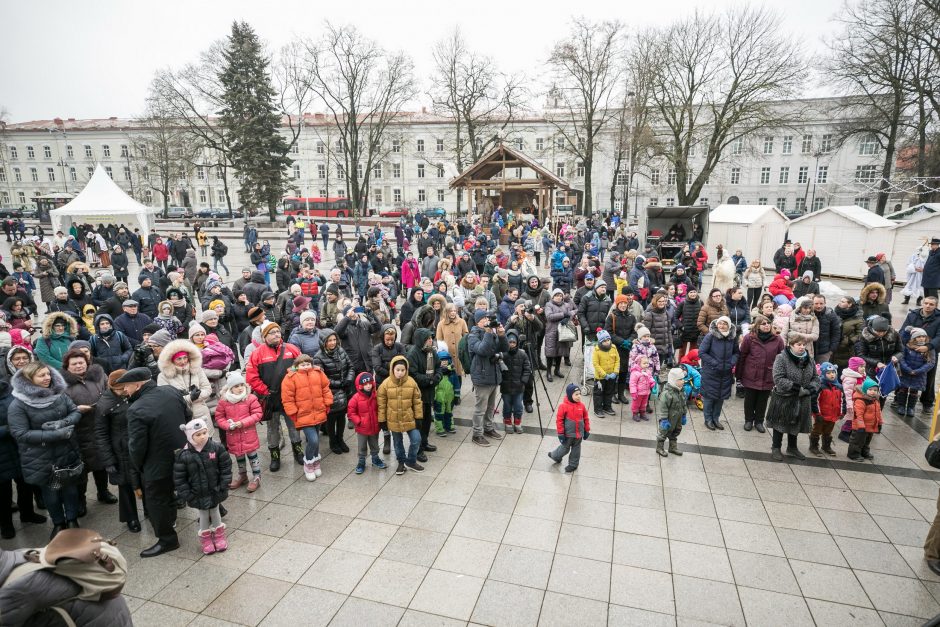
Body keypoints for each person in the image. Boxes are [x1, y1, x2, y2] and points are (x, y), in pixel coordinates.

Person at [8, 361, 83, 539]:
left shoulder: (59, 394)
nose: (47, 378)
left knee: (70, 489)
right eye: (41, 375)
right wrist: (55, 434)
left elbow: (75, 412)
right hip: (40, 457)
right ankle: (58, 523)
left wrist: (62, 423)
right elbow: (20, 433)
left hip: (66, 451)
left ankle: (72, 519)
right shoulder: (18, 404)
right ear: (29, 379)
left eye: (48, 374)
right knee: (51, 492)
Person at [122, 367, 189, 556]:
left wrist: (137, 467)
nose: (125, 391)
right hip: (181, 453)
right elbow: (187, 415)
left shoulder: (136, 409)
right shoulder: (170, 391)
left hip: (156, 463)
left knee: (156, 500)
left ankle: (168, 539)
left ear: (137, 385)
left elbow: (136, 446)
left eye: (126, 387)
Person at [60, 349, 116, 515]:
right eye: (74, 363)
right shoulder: (62, 385)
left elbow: (110, 392)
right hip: (78, 431)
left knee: (101, 463)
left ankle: (103, 491)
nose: (78, 366)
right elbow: (60, 408)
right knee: (81, 469)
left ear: (87, 362)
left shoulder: (99, 375)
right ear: (67, 366)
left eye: (81, 362)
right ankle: (81, 500)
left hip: (100, 427)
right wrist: (76, 411)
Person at [246, 322, 304, 470]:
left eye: (278, 331)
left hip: (290, 398)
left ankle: (298, 452)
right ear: (265, 336)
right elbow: (252, 377)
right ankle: (275, 457)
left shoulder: (292, 349)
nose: (277, 334)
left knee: (294, 426)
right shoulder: (257, 353)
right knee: (272, 430)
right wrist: (265, 392)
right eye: (272, 332)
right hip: (271, 400)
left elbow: (302, 370)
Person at [174, 418, 232, 555]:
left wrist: (224, 484)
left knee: (215, 511)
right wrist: (188, 494)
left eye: (204, 433)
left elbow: (225, 466)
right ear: (190, 436)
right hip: (197, 492)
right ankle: (206, 540)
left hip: (215, 489)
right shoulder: (184, 455)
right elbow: (180, 478)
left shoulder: (216, 447)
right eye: (198, 435)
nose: (202, 437)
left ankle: (219, 536)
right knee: (203, 514)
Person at [94, 369, 142, 533]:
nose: (124, 391)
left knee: (145, 481)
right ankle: (131, 518)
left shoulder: (135, 395)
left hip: (138, 446)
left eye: (125, 387)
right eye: (120, 389)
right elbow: (100, 434)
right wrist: (108, 460)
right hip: (120, 451)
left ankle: (150, 511)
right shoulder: (104, 404)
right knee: (125, 486)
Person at [0, 376, 47, 539]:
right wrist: (11, 428)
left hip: (19, 447)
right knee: (3, 491)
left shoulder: (11, 392)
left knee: (25, 483)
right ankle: (5, 524)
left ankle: (27, 513)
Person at [765, 332, 821, 461]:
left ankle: (792, 448)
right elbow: (778, 378)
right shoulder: (782, 358)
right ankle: (776, 448)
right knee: (780, 424)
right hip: (785, 397)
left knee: (796, 423)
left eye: (804, 345)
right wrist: (797, 388)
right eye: (798, 344)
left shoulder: (810, 359)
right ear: (791, 345)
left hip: (803, 398)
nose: (802, 347)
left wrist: (809, 389)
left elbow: (816, 378)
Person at [281, 354, 332, 481]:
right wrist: (293, 413)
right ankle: (308, 463)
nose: (305, 366)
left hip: (318, 411)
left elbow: (325, 388)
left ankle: (316, 462)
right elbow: (287, 398)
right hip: (304, 415)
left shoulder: (318, 373)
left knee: (316, 441)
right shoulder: (290, 377)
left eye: (308, 364)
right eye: (302, 365)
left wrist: (327, 403)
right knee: (313, 440)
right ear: (296, 366)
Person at [215, 372, 263, 493]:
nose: (240, 388)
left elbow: (257, 414)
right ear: (230, 388)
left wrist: (242, 423)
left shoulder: (250, 398)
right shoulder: (224, 401)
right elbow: (219, 417)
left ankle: (257, 476)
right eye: (236, 386)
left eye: (242, 385)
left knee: (252, 456)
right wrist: (227, 425)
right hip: (233, 435)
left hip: (248, 434)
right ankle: (243, 475)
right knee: (239, 456)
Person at [466, 310, 508, 447]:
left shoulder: (491, 332)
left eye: (487, 318)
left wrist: (501, 335)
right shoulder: (473, 335)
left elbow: (504, 348)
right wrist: (489, 333)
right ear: (478, 321)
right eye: (484, 318)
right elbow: (483, 350)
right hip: (481, 376)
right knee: (480, 408)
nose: (487, 320)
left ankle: (488, 428)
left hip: (494, 375)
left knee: (491, 406)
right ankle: (477, 434)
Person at [737, 315, 784, 433]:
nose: (767, 325)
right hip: (751, 373)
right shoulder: (749, 338)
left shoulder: (778, 339)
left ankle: (759, 421)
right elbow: (742, 356)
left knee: (762, 400)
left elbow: (781, 358)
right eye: (763, 324)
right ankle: (748, 420)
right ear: (757, 326)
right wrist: (739, 373)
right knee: (750, 399)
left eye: (768, 323)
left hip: (768, 374)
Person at [378, 355, 424, 474]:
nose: (400, 373)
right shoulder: (386, 384)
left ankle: (411, 461)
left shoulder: (411, 382)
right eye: (397, 370)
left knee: (416, 439)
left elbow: (417, 401)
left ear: (406, 370)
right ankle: (401, 462)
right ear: (392, 369)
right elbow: (381, 403)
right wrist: (382, 420)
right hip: (393, 419)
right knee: (398, 443)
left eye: (403, 370)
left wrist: (418, 417)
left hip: (409, 417)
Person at [312, 329, 353, 456]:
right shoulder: (318, 357)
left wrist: (348, 380)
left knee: (342, 417)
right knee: (331, 419)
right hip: (331, 392)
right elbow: (321, 377)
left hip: (344, 390)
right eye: (329, 340)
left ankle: (340, 439)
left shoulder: (341, 350)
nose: (332, 343)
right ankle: (333, 441)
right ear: (323, 342)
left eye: (334, 340)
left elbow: (350, 366)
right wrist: (338, 384)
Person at [698, 316, 738, 430]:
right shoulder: (710, 336)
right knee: (709, 397)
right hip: (711, 372)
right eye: (720, 323)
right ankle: (708, 419)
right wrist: (715, 363)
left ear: (729, 326)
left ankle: (716, 419)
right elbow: (702, 352)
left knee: (720, 397)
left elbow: (736, 353)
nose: (722, 326)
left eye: (725, 324)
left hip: (725, 373)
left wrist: (731, 363)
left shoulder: (732, 338)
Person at [348, 372, 386, 474]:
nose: (368, 386)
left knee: (374, 444)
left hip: (374, 426)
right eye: (365, 384)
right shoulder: (356, 398)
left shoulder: (376, 395)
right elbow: (351, 411)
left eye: (370, 383)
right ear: (360, 385)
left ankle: (375, 458)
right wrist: (358, 421)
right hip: (362, 428)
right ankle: (361, 461)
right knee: (362, 445)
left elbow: (380, 408)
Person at [547, 384, 590, 472]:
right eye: (576, 394)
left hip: (578, 434)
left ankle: (573, 464)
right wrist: (561, 434)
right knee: (564, 448)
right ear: (570, 395)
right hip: (568, 434)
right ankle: (555, 456)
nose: (579, 396)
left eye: (579, 394)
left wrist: (586, 430)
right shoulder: (563, 406)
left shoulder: (581, 406)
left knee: (576, 449)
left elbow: (586, 418)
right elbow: (559, 421)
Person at [894, 327, 936, 416]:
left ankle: (910, 408)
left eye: (923, 336)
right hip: (906, 373)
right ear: (913, 338)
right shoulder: (907, 346)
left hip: (919, 375)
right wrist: (908, 369)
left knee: (914, 391)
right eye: (919, 336)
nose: (921, 338)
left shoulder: (929, 348)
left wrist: (918, 371)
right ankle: (901, 405)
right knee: (903, 389)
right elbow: (901, 358)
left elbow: (931, 362)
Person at [500, 330, 532, 433]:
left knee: (518, 406)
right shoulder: (503, 354)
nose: (512, 344)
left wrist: (523, 381)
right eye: (510, 342)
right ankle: (508, 422)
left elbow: (527, 368)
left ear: (517, 343)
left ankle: (517, 422)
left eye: (514, 342)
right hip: (506, 387)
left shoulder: (522, 354)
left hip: (519, 387)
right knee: (507, 406)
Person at [810, 362, 844, 457]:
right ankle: (813, 446)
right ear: (823, 374)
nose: (832, 374)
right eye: (828, 373)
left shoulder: (839, 387)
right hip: (821, 415)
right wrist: (817, 413)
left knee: (828, 431)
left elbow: (842, 400)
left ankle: (826, 446)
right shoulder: (820, 386)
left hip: (833, 415)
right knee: (817, 430)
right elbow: (814, 401)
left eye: (833, 372)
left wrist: (841, 412)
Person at [544, 289, 577, 382]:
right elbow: (549, 316)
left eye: (560, 295)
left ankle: (557, 370)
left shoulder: (566, 305)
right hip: (552, 332)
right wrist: (563, 314)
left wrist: (568, 317)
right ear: (553, 296)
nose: (559, 297)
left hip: (562, 333)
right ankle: (548, 372)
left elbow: (571, 313)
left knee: (560, 352)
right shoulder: (549, 305)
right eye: (557, 295)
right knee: (550, 353)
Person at [656, 368, 688, 457]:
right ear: (674, 380)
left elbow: (683, 403)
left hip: (677, 417)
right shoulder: (666, 394)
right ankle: (659, 447)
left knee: (675, 431)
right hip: (668, 418)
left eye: (683, 379)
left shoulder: (681, 391)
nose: (683, 381)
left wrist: (684, 414)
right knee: (663, 432)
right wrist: (664, 419)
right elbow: (663, 407)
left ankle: (672, 447)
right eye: (680, 379)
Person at [848, 379, 883, 461]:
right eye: (870, 390)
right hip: (860, 426)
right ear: (864, 389)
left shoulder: (875, 400)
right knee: (857, 441)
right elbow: (858, 415)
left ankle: (864, 452)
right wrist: (860, 426)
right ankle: (853, 454)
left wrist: (880, 422)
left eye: (875, 390)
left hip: (871, 425)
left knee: (867, 440)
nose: (873, 392)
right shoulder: (860, 400)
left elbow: (878, 412)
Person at [592, 330, 620, 417]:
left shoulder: (614, 348)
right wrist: (604, 375)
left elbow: (617, 361)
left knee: (609, 392)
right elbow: (596, 364)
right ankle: (598, 409)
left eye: (608, 340)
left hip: (612, 376)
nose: (607, 342)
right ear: (600, 342)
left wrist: (615, 372)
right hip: (600, 377)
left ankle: (607, 407)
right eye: (604, 341)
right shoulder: (597, 351)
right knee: (598, 393)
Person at [630, 356, 656, 423]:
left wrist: (652, 382)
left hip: (646, 392)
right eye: (644, 363)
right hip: (638, 393)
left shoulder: (648, 371)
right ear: (639, 363)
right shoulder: (635, 373)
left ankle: (642, 413)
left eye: (647, 363)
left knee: (644, 403)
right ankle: (635, 414)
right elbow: (632, 383)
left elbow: (650, 378)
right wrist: (633, 392)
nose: (646, 365)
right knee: (636, 404)